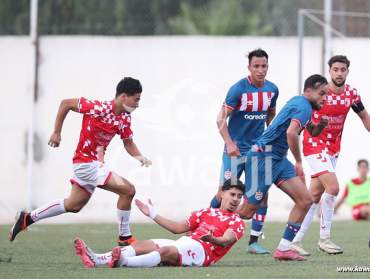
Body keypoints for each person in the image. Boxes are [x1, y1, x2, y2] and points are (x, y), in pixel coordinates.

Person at [9, 77, 152, 246]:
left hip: (91, 165)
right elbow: (66, 103)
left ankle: (27, 218)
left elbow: (128, 143)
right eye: (136, 99)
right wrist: (56, 132)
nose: (137, 104)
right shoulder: (98, 108)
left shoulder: (125, 118)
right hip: (86, 163)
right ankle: (125, 237)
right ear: (123, 96)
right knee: (128, 190)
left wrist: (140, 156)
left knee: (73, 205)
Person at [238, 74, 329, 261]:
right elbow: (291, 132)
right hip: (263, 157)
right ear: (309, 91)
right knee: (246, 212)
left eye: (326, 95)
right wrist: (298, 161)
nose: (324, 98)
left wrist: (319, 126)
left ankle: (284, 249)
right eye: (322, 93)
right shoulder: (304, 106)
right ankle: (208, 220)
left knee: (305, 200)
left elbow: (309, 130)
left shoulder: (302, 104)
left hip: (277, 158)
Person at [291, 55, 370, 256]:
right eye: (335, 69)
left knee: (313, 196)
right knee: (333, 187)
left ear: (347, 72)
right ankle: (324, 238)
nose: (339, 73)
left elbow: (364, 117)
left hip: (333, 150)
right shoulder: (321, 93)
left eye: (342, 70)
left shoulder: (351, 94)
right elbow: (304, 112)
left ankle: (294, 241)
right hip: (314, 145)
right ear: (330, 71)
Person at [74, 179, 245, 268]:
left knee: (164, 251)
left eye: (239, 196)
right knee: (143, 244)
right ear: (222, 194)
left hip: (203, 253)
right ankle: (96, 259)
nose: (236, 199)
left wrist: (212, 240)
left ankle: (123, 261)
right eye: (233, 194)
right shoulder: (206, 212)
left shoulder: (237, 221)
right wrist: (153, 214)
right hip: (185, 243)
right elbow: (177, 228)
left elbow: (226, 240)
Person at [210, 48, 278, 254]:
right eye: (256, 66)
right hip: (235, 150)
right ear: (249, 67)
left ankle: (254, 242)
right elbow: (220, 119)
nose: (260, 70)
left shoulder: (273, 89)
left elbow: (271, 115)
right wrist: (230, 143)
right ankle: (207, 229)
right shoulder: (237, 89)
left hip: (260, 149)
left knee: (262, 194)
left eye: (264, 66)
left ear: (268, 66)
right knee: (223, 193)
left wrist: (267, 138)